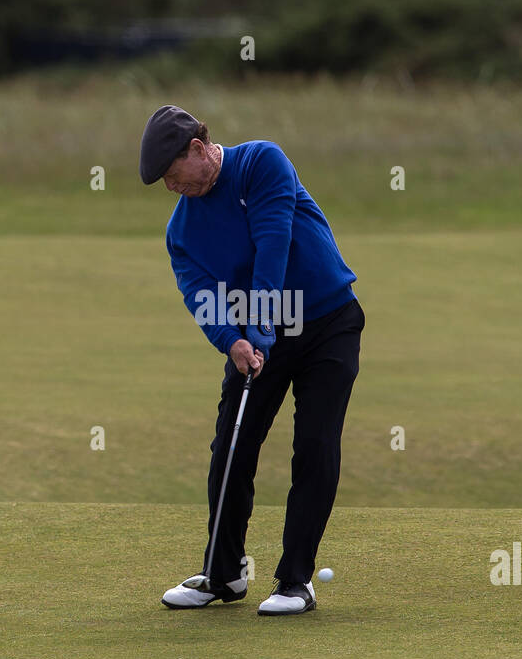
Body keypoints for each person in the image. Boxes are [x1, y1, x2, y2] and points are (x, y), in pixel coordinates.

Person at [138, 104, 364, 616]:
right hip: (256, 338)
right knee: (231, 448)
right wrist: (232, 340)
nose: (173, 187)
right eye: (165, 183)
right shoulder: (181, 231)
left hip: (328, 322)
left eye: (175, 175)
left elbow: (272, 245)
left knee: (315, 445)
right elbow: (199, 294)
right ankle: (225, 575)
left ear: (198, 148)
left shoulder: (262, 162)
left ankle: (294, 582)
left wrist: (257, 328)